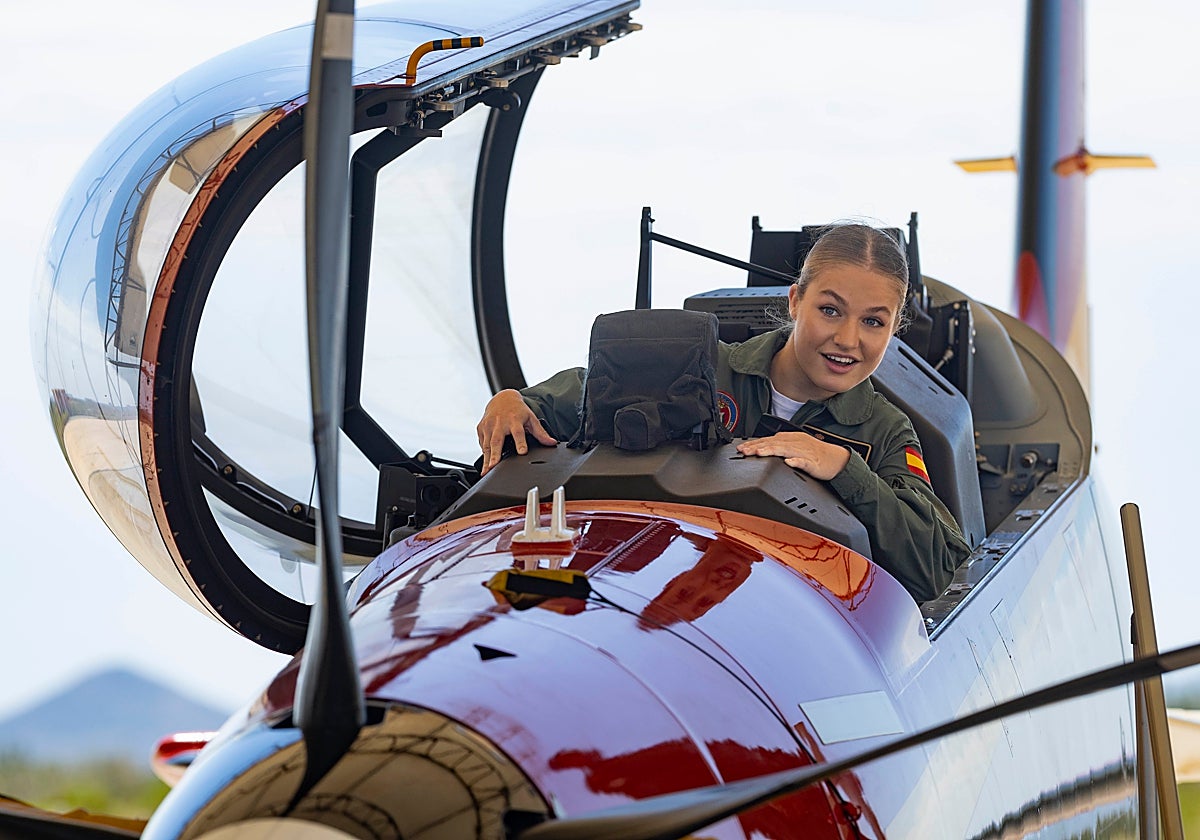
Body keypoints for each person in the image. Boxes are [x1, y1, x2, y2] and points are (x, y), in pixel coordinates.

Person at [475, 223, 970, 602]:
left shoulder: (883, 431)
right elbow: (570, 402)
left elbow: (933, 566)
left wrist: (843, 468)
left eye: (873, 322)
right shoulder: (699, 369)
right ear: (796, 301)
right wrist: (512, 401)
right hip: (664, 592)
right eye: (830, 310)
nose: (847, 340)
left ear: (894, 329)